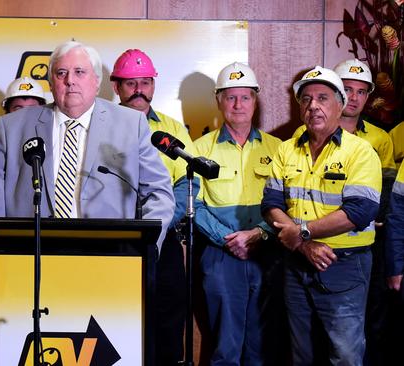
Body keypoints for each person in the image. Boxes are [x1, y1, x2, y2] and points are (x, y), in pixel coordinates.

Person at [0, 40, 174, 253]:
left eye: (79, 72)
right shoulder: (11, 127)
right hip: (28, 254)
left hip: (111, 256)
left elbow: (159, 192)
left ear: (97, 81)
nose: (70, 81)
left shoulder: (132, 124)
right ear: (50, 83)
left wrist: (148, 245)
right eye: (61, 73)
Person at [262, 66, 381, 365]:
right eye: (306, 99)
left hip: (344, 266)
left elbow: (360, 211)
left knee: (344, 354)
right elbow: (270, 204)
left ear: (340, 105)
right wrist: (304, 244)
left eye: (322, 98)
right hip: (296, 263)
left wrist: (301, 233)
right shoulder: (286, 150)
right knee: (301, 352)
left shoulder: (360, 152)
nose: (313, 105)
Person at [193, 62, 284, 365]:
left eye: (245, 97)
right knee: (224, 346)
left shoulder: (279, 149)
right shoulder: (198, 149)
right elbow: (194, 205)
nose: (238, 105)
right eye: (230, 97)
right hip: (221, 256)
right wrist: (230, 239)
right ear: (218, 100)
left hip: (268, 254)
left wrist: (260, 233)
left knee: (264, 346)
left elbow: (289, 202)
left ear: (256, 100)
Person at [110, 48, 190, 364]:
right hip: (114, 238)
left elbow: (187, 183)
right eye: (131, 83)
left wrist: (162, 222)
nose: (139, 90)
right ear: (116, 87)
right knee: (116, 317)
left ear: (154, 85)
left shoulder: (173, 128)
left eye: (145, 82)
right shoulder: (101, 125)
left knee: (168, 317)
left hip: (162, 239)